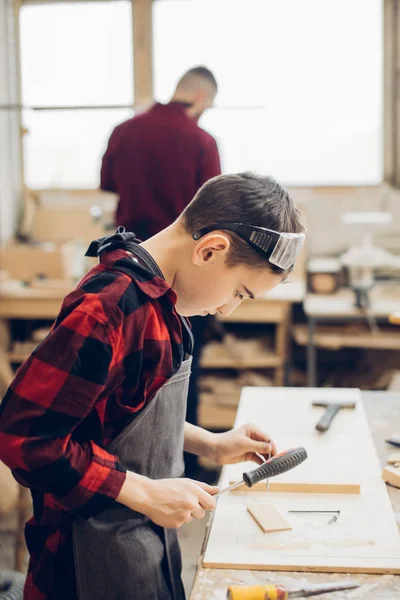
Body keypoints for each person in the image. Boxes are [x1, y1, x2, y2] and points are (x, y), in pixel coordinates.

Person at [0, 173, 305, 600]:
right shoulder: (108, 308)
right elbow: (24, 437)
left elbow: (120, 417)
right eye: (239, 292)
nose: (229, 310)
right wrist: (144, 492)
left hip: (141, 540)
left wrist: (210, 444)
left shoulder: (162, 300)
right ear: (210, 249)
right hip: (81, 562)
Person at [101, 66, 222, 478]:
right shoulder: (202, 141)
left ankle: (122, 465)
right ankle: (180, 467)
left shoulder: (124, 131)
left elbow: (108, 184)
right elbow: (216, 214)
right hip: (181, 274)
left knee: (124, 372)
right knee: (181, 366)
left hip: (128, 263)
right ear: (202, 100)